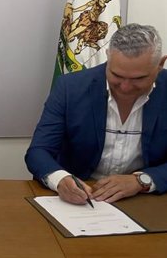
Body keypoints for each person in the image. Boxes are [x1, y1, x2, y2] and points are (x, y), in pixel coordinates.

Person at [26, 23, 167, 204]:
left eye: (138, 78)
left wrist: (141, 181)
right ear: (108, 57)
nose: (125, 87)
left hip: (144, 199)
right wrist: (60, 180)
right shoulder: (70, 88)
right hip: (83, 197)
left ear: (160, 65)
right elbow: (39, 151)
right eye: (116, 75)